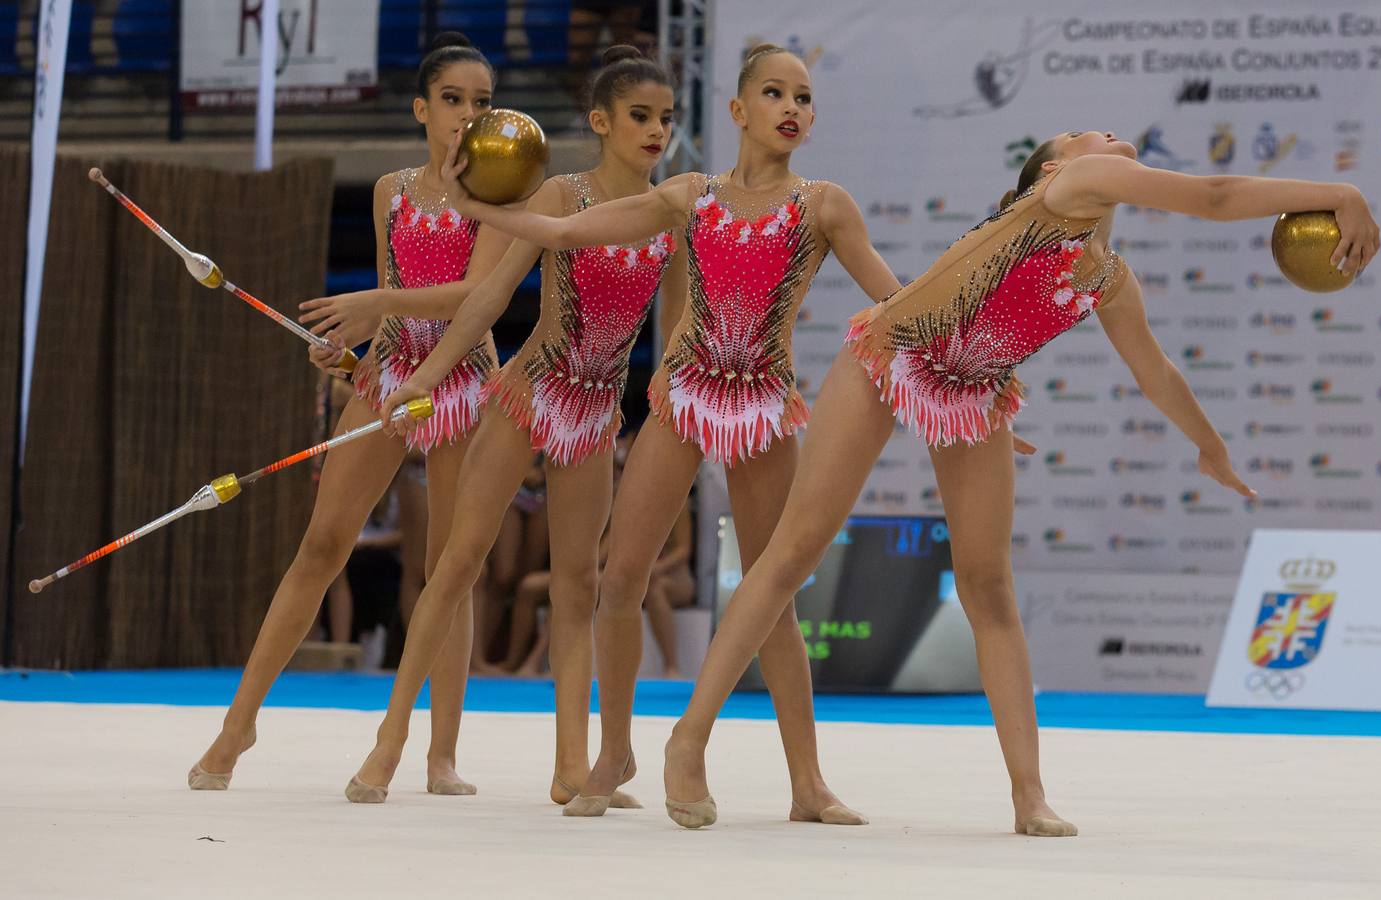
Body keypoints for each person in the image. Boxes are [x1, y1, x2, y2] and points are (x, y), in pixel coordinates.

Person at [655, 130, 1380, 834]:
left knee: (988, 585)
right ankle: (688, 742)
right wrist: (1340, 191)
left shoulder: (1108, 278)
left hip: (973, 389)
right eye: (1083, 131)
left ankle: (1029, 796)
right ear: (1055, 169)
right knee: (793, 552)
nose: (1106, 134)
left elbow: (1157, 374)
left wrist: (1209, 445)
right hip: (893, 349)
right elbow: (1218, 195)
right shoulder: (1075, 186)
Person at [378, 44, 904, 824]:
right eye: (773, 92)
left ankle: (807, 783)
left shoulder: (825, 205)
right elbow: (567, 233)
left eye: (803, 97)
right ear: (738, 111)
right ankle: (613, 752)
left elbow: (896, 305)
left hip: (759, 404)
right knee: (618, 578)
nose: (792, 108)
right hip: (681, 398)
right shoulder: (690, 197)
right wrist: (481, 208)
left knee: (774, 594)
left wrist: (962, 372)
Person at [343, 46, 680, 808]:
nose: (656, 129)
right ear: (600, 122)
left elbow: (678, 325)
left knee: (577, 583)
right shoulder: (563, 193)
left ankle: (570, 766)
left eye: (665, 117)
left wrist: (673, 410)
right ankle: (389, 742)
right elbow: (492, 295)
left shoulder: (672, 212)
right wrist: (428, 376)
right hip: (529, 391)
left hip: (595, 411)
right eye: (640, 116)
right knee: (459, 563)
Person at [186, 32, 508, 796]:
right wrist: (351, 356)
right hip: (392, 373)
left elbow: (475, 299)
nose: (468, 114)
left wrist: (374, 305)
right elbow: (393, 299)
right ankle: (239, 723)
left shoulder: (505, 194)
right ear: (422, 108)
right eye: (454, 100)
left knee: (448, 568)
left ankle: (441, 755)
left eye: (483, 101)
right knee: (321, 544)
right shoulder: (390, 191)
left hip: (461, 378)